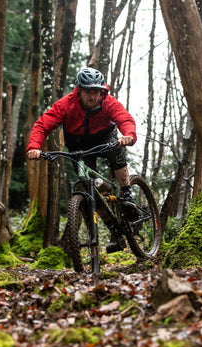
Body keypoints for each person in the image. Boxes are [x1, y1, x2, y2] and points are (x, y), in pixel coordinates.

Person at [26, 67, 137, 253]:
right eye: (88, 91)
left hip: (104, 137)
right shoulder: (66, 104)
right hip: (79, 145)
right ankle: (114, 231)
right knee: (88, 188)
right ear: (79, 90)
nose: (92, 96)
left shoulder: (107, 102)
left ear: (101, 91)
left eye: (96, 91)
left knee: (115, 151)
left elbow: (124, 118)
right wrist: (34, 147)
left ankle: (126, 193)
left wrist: (129, 135)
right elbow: (43, 124)